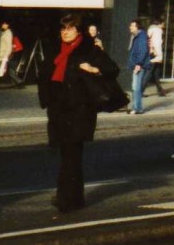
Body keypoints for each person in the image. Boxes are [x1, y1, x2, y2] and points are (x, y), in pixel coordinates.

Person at [37, 13, 120, 213]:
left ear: (78, 30)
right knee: (67, 153)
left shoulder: (89, 49)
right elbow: (45, 76)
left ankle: (67, 199)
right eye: (63, 28)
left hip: (79, 110)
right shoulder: (56, 50)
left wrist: (93, 69)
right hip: (59, 110)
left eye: (70, 28)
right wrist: (47, 100)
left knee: (72, 153)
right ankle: (72, 197)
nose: (65, 32)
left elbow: (112, 68)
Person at [126, 20, 151, 114]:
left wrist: (138, 64)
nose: (130, 27)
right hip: (137, 64)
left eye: (132, 26)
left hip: (139, 65)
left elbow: (143, 51)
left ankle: (137, 108)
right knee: (135, 86)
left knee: (136, 87)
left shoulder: (141, 37)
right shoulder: (137, 36)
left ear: (138, 27)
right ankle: (137, 107)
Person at [0, 20, 24, 88]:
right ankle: (19, 82)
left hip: (7, 54)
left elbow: (8, 46)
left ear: (8, 25)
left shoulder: (8, 33)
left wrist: (6, 56)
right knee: (9, 70)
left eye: (4, 24)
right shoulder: (6, 33)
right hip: (8, 54)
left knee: (1, 70)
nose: (2, 25)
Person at [145, 19, 169, 98]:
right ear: (160, 24)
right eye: (163, 24)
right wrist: (159, 55)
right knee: (150, 72)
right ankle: (140, 90)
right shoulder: (158, 31)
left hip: (152, 52)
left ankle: (160, 90)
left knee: (155, 72)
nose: (164, 26)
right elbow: (157, 43)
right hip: (155, 54)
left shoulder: (150, 30)